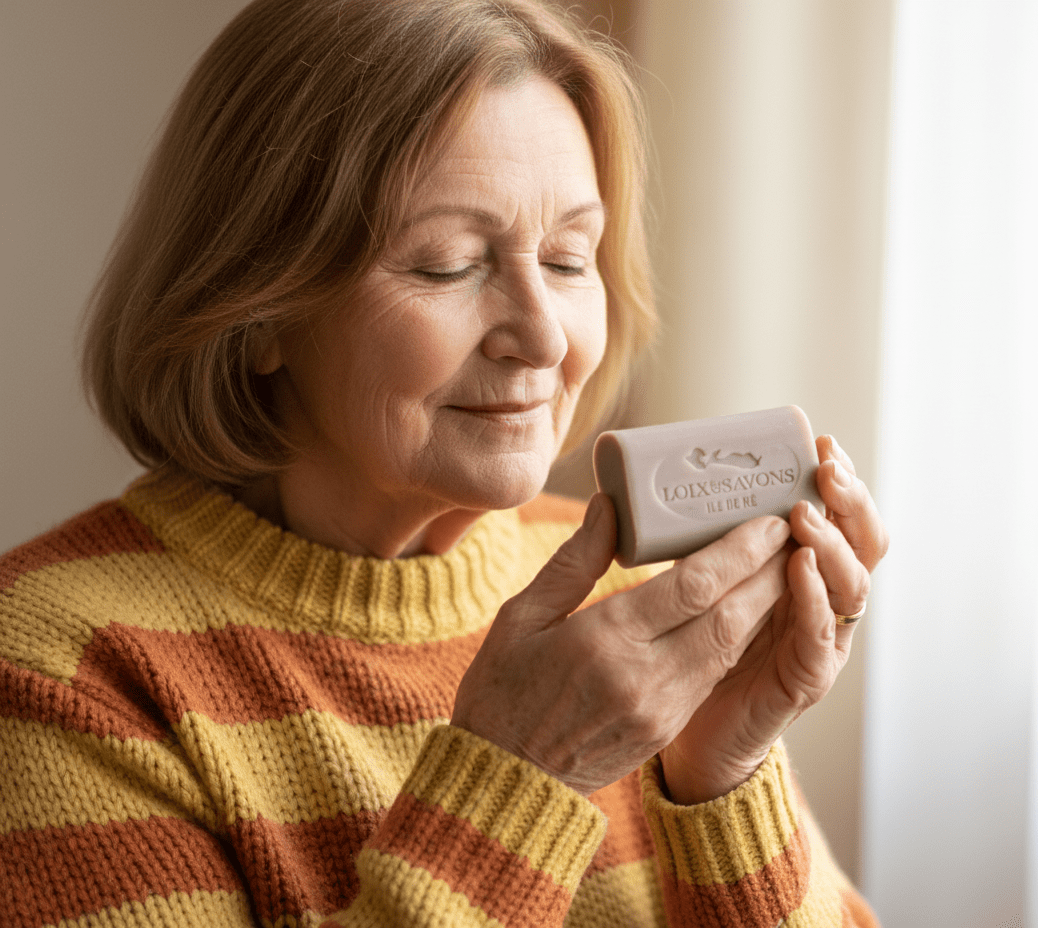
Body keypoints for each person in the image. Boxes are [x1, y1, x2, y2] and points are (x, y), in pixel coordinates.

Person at [0, 0, 889, 925]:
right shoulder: (58, 671)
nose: (542, 337)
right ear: (256, 310)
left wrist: (726, 773)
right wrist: (521, 776)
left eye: (570, 258)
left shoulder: (631, 603)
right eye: (447, 264)